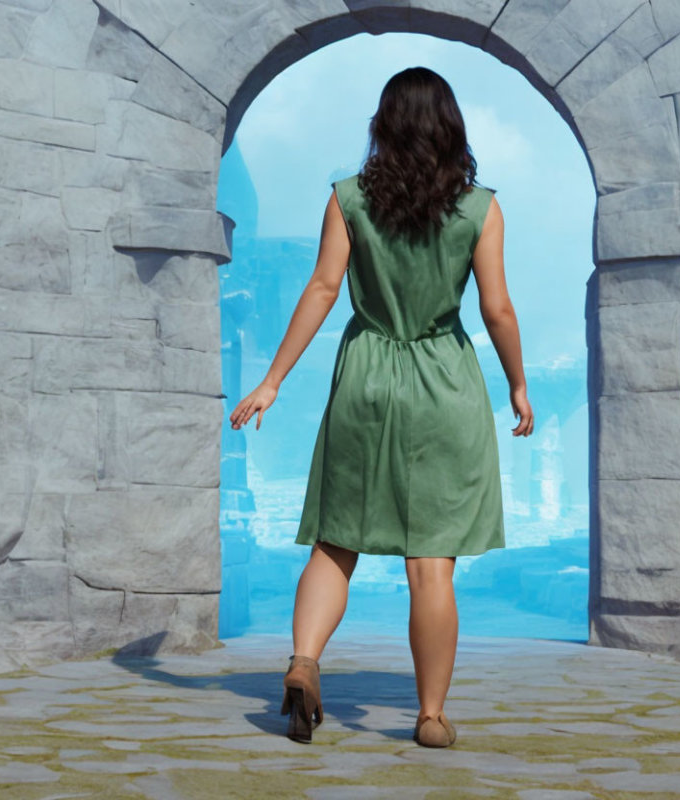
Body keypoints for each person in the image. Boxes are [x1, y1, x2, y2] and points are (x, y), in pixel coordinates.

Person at [228, 66, 533, 748]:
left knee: (335, 543)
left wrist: (273, 380)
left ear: (382, 126)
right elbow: (498, 308)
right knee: (431, 562)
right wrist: (517, 383)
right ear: (451, 127)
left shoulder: (348, 199)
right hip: (444, 383)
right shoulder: (480, 207)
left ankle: (304, 661)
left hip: (365, 377)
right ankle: (428, 716)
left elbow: (322, 288)